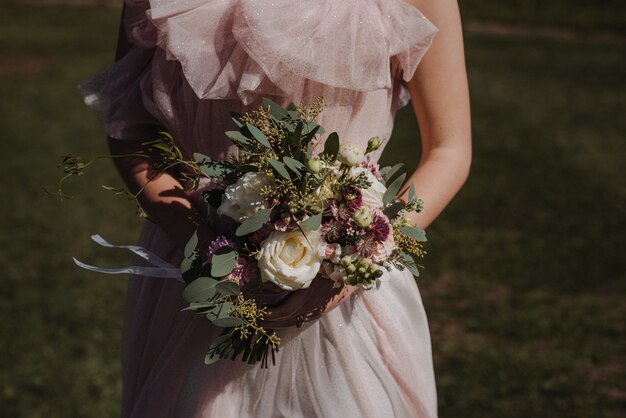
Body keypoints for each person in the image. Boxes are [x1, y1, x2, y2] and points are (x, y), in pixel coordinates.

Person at [80, 0, 471, 416]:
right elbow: (128, 131)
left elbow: (450, 150)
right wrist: (209, 249)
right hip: (197, 273)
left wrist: (352, 264)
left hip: (349, 288)